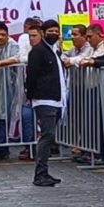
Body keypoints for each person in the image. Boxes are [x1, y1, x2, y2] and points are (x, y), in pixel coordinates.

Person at [25, 19, 65, 187]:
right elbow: (32, 76)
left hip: (55, 100)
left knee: (49, 137)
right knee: (46, 136)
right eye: (50, 31)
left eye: (56, 31)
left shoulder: (54, 51)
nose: (54, 34)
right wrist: (32, 95)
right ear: (43, 32)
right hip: (44, 99)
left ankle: (44, 172)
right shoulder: (38, 51)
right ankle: (40, 174)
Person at [0, 21, 21, 161]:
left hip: (10, 86)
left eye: (3, 34)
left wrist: (0, 63)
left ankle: (0, 148)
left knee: (3, 116)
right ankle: (0, 148)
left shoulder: (13, 46)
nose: (0, 37)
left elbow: (17, 58)